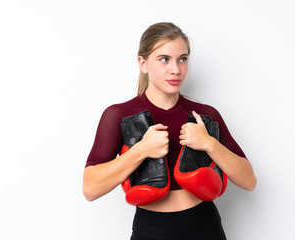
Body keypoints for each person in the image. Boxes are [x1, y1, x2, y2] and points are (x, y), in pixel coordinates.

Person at [83, 22, 257, 240]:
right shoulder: (119, 115)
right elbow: (90, 188)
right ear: (143, 63)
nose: (176, 69)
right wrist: (142, 150)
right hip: (151, 231)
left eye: (182, 59)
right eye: (164, 59)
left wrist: (209, 144)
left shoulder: (204, 115)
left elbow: (249, 180)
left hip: (206, 228)